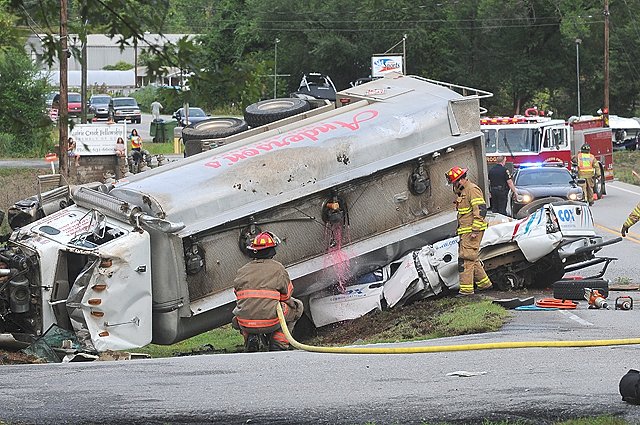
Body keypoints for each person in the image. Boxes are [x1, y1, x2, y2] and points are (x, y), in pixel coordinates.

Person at [232, 231, 304, 352]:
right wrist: (293, 306)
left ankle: (250, 337)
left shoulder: (242, 271)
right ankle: (279, 342)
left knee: (243, 312)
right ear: (272, 250)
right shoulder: (278, 269)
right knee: (297, 307)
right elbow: (286, 296)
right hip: (271, 321)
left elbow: (238, 295)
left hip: (245, 322)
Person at [445, 166, 492, 296]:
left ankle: (466, 291)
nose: (453, 186)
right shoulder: (464, 191)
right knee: (471, 257)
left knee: (465, 259)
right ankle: (484, 284)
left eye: (454, 183)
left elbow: (481, 210)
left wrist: (475, 230)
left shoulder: (472, 190)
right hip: (466, 231)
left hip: (472, 231)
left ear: (459, 181)